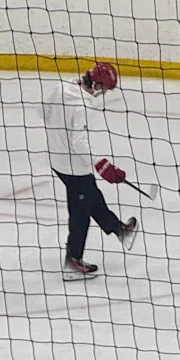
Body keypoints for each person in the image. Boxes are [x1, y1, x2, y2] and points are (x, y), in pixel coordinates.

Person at [42, 62, 138, 281]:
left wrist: (58, 134)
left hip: (57, 160)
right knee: (80, 214)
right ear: (96, 84)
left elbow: (42, 111)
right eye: (104, 89)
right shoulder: (84, 105)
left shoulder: (62, 86)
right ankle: (73, 262)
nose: (103, 93)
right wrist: (102, 165)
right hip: (74, 166)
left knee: (92, 197)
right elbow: (79, 142)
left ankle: (119, 230)